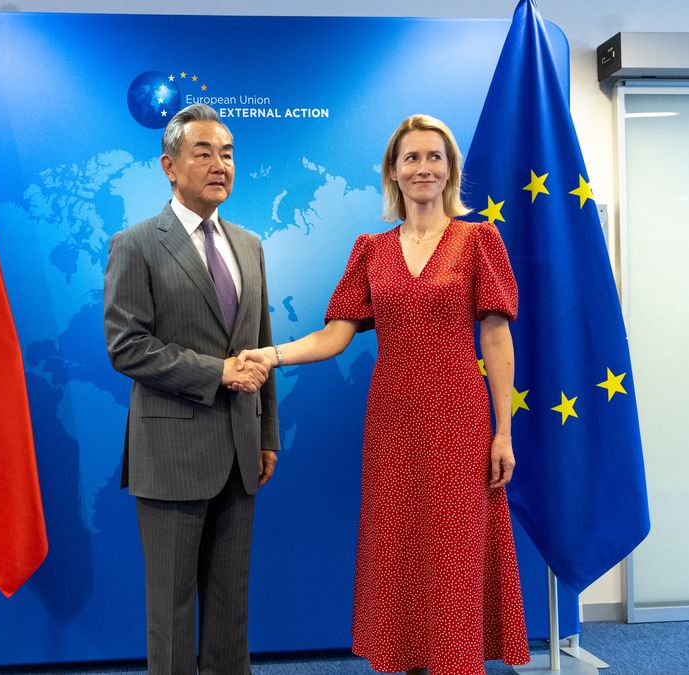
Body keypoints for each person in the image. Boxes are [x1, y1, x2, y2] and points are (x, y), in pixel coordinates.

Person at [238, 114, 529, 674]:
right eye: (411, 158)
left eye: (434, 157)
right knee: (399, 547)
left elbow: (496, 336)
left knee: (453, 551)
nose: (423, 168)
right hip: (393, 422)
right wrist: (270, 355)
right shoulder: (370, 248)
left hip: (459, 420)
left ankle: (455, 662)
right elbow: (334, 335)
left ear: (450, 170)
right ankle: (411, 661)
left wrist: (503, 432)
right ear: (393, 172)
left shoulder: (479, 240)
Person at [103, 102, 280, 675]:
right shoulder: (136, 244)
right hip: (171, 457)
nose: (219, 164)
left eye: (227, 153)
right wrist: (217, 372)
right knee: (173, 613)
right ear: (169, 166)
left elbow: (262, 344)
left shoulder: (249, 245)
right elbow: (126, 345)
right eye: (203, 152)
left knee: (232, 609)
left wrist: (267, 434)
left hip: (240, 454)